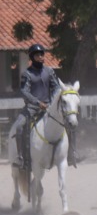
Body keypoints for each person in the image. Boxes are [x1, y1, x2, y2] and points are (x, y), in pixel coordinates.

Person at [9, 43, 61, 171]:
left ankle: (72, 153)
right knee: (20, 126)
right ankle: (20, 157)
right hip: (31, 109)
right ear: (32, 57)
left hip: (49, 107)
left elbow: (56, 87)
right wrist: (38, 103)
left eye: (42, 54)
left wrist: (52, 101)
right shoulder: (27, 74)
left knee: (68, 121)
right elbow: (24, 92)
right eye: (38, 55)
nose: (41, 57)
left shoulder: (49, 71)